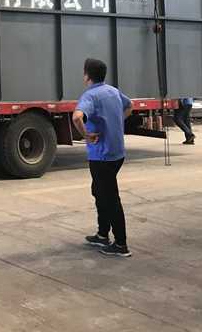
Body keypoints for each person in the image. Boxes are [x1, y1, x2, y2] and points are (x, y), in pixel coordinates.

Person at [72, 58, 133, 257]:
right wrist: (116, 122)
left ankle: (121, 244)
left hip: (101, 155)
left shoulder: (90, 95)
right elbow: (130, 105)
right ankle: (102, 234)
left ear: (87, 76)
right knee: (99, 191)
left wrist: (86, 135)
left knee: (109, 197)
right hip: (117, 153)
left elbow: (77, 117)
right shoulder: (113, 91)